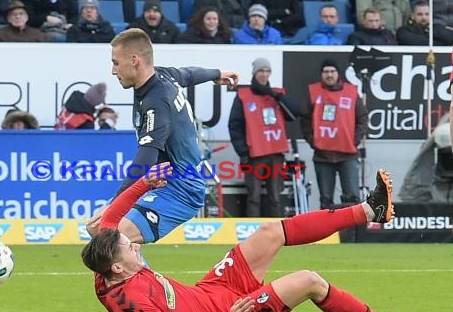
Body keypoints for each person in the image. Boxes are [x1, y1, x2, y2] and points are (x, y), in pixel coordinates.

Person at [82, 163, 428, 312]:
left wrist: (144, 183)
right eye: (130, 247)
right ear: (117, 267)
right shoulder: (127, 303)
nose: (136, 244)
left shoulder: (108, 264)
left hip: (212, 290)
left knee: (268, 232)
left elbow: (111, 219)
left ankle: (370, 210)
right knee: (308, 280)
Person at [87, 28, 238, 243]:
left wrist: (115, 203)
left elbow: (147, 157)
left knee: (110, 235)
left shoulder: (157, 101)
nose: (113, 70)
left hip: (181, 188)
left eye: (116, 63)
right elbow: (188, 74)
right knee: (99, 231)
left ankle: (146, 278)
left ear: (134, 61)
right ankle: (139, 276)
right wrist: (216, 74)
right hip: (163, 182)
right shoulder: (161, 75)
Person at [228, 57, 298, 217]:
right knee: (253, 197)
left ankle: (275, 233)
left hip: (276, 153)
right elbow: (234, 126)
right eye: (261, 71)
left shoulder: (277, 94)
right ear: (254, 73)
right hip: (254, 155)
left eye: (267, 71)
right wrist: (243, 153)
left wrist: (277, 97)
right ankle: (252, 234)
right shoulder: (243, 95)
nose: (264, 74)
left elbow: (295, 113)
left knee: (275, 196)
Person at [301, 59, 367, 210]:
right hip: (322, 155)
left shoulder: (351, 91)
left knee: (352, 198)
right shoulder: (313, 92)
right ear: (321, 74)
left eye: (332, 71)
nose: (329, 75)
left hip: (348, 154)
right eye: (325, 72)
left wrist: (354, 140)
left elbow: (362, 118)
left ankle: (351, 233)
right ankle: (328, 233)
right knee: (326, 199)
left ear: (338, 74)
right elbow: (304, 119)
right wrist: (313, 140)